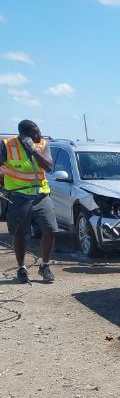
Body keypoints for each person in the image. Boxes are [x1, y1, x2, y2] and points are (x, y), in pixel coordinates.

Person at [0, 120, 58, 283]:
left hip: (41, 194)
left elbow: (48, 167)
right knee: (19, 233)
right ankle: (21, 268)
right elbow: (0, 166)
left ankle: (44, 265)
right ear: (24, 135)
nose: (39, 135)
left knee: (50, 229)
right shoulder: (7, 145)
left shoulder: (42, 145)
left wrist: (32, 149)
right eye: (35, 133)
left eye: (39, 132)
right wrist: (6, 176)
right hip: (19, 196)